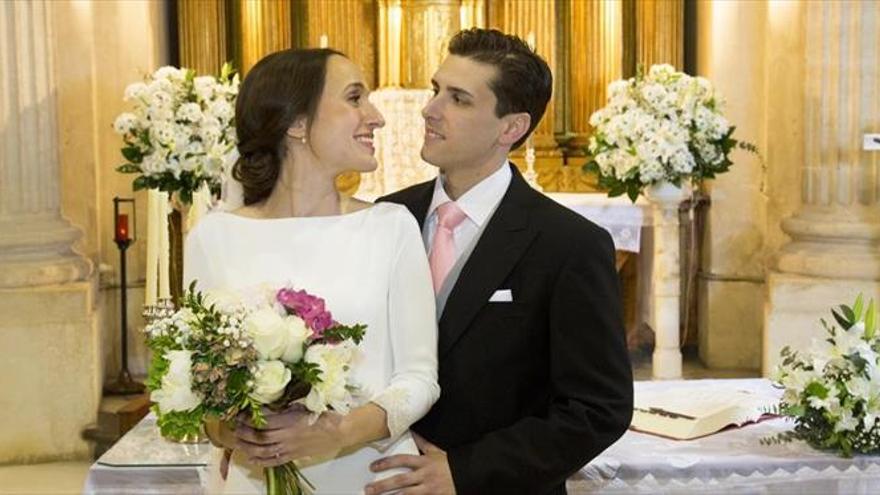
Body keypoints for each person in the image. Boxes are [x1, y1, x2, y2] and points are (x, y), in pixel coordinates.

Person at [369, 28, 633, 495]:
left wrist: (465, 471)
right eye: (435, 91)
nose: (429, 109)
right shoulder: (384, 219)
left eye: (458, 99)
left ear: (511, 127)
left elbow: (597, 408)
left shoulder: (569, 245)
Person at [183, 48, 440, 494]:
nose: (376, 117)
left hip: (369, 479)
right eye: (355, 98)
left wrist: (340, 431)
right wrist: (239, 433)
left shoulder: (391, 227)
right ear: (297, 123)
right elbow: (199, 388)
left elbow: (419, 379)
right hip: (255, 480)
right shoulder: (213, 237)